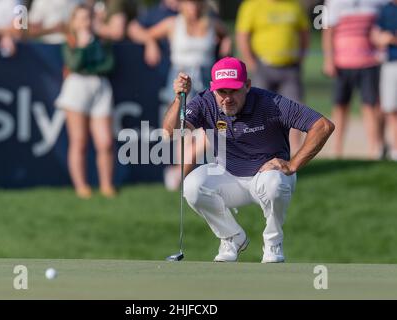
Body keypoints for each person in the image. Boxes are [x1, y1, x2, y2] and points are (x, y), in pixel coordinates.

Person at [163, 57, 334, 263]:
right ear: (212, 89)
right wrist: (179, 98)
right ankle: (231, 238)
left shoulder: (271, 103)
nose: (227, 98)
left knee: (275, 183)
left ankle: (273, 242)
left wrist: (293, 164)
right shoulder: (205, 101)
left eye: (234, 90)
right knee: (192, 185)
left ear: (247, 86)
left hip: (267, 176)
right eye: (222, 92)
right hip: (227, 175)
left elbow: (323, 126)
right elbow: (170, 133)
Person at [131, 0, 232, 191]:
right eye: (189, 3)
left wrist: (227, 41)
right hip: (182, 78)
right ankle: (184, 178)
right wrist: (150, 42)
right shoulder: (172, 23)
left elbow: (227, 33)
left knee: (213, 129)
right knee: (182, 131)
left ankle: (178, 172)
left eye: (196, 3)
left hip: (206, 80)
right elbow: (137, 30)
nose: (193, 7)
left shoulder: (211, 23)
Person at [55, 4, 116, 198]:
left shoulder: (101, 41)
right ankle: (81, 186)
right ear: (74, 21)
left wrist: (89, 67)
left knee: (105, 141)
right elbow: (73, 63)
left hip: (100, 88)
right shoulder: (71, 41)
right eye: (80, 18)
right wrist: (82, 46)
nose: (84, 22)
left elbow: (108, 64)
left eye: (87, 18)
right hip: (76, 89)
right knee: (79, 141)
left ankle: (107, 185)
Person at [235, 0, 310, 154]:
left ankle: (294, 152)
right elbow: (242, 36)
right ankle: (260, 148)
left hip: (290, 67)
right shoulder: (252, 5)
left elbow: (304, 33)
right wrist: (251, 63)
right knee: (259, 109)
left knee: (295, 109)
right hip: (263, 67)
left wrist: (300, 58)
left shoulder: (294, 5)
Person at [322, 0, 388, 159]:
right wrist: (329, 60)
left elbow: (383, 26)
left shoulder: (377, 3)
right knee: (340, 107)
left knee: (370, 106)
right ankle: (337, 150)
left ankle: (374, 149)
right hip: (342, 63)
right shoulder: (334, 3)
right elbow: (328, 32)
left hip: (369, 63)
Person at [371, 1, 397, 161]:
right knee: (390, 109)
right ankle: (394, 149)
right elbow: (376, 36)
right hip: (390, 64)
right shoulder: (386, 9)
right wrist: (384, 38)